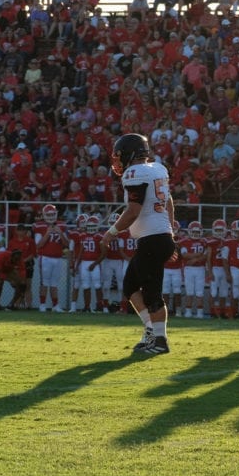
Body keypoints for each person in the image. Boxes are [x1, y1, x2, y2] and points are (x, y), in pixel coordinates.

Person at [103, 133, 177, 354]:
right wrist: (170, 233)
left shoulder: (134, 173)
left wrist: (112, 232)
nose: (117, 161)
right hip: (158, 237)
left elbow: (133, 211)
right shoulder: (158, 168)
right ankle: (150, 330)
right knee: (130, 286)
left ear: (130, 154)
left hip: (153, 239)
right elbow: (169, 201)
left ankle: (161, 341)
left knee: (152, 293)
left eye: (120, 156)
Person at [34, 204, 68, 313]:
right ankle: (42, 305)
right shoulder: (39, 226)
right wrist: (48, 233)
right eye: (48, 214)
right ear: (44, 215)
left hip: (57, 257)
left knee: (54, 283)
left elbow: (67, 244)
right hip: (45, 257)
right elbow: (38, 245)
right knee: (44, 282)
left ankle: (55, 305)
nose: (51, 216)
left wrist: (60, 233)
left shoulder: (61, 225)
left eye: (52, 214)